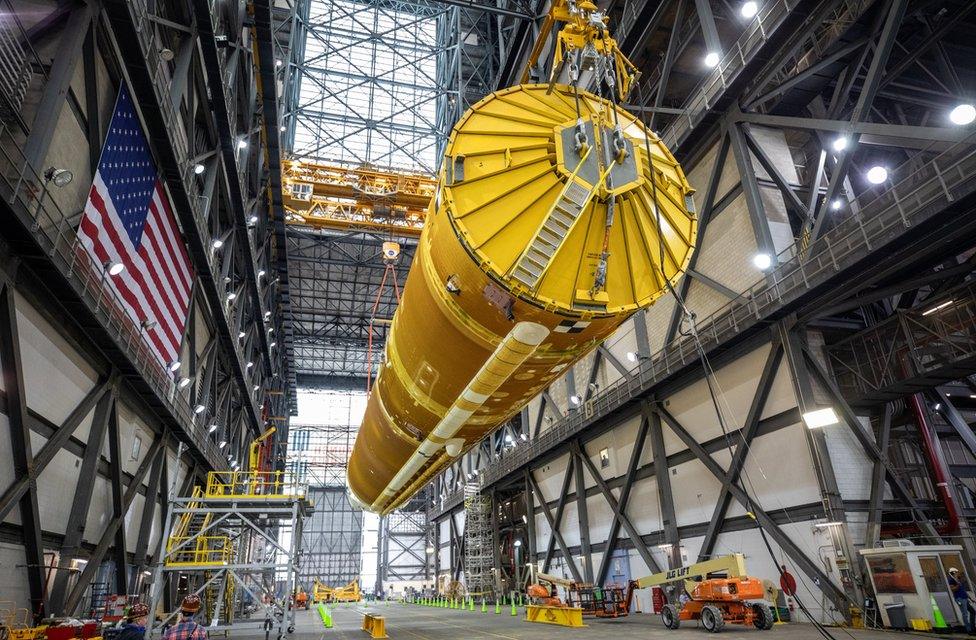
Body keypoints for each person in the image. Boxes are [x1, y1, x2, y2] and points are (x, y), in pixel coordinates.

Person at [949, 567, 975, 634]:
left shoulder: (958, 580)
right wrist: (957, 584)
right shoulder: (951, 580)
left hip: (965, 598)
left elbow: (963, 590)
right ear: (953, 573)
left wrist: (970, 598)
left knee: (973, 612)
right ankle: (969, 630)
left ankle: (972, 628)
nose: (958, 574)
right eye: (956, 572)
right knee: (965, 614)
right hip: (959, 598)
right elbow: (953, 589)